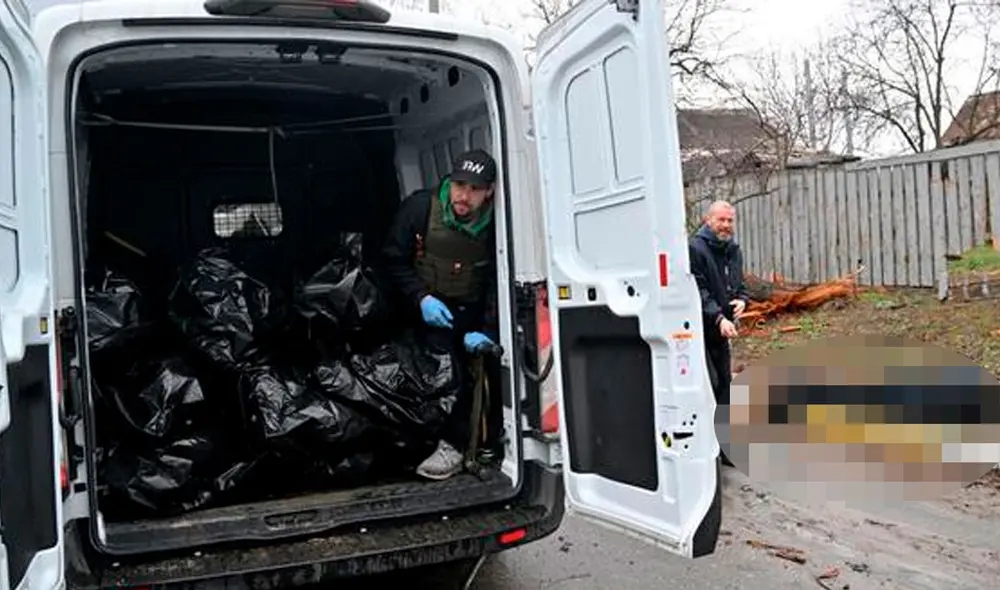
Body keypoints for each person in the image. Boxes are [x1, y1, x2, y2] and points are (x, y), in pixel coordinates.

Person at [381, 148, 504, 480]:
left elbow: (501, 278)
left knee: (477, 375)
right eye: (459, 185)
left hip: (472, 312)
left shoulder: (500, 224)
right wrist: (420, 298)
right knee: (437, 374)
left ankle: (464, 445)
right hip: (427, 308)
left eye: (475, 189)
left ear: (489, 191)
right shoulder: (420, 208)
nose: (464, 195)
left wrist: (490, 330)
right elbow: (391, 259)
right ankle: (421, 440)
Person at [689, 200, 749, 465]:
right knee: (708, 386)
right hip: (698, 331)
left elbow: (740, 285)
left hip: (722, 332)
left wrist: (743, 300)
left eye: (730, 220)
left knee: (725, 386)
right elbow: (698, 291)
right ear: (708, 220)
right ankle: (705, 449)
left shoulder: (733, 250)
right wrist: (717, 317)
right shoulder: (695, 249)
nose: (726, 225)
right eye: (721, 220)